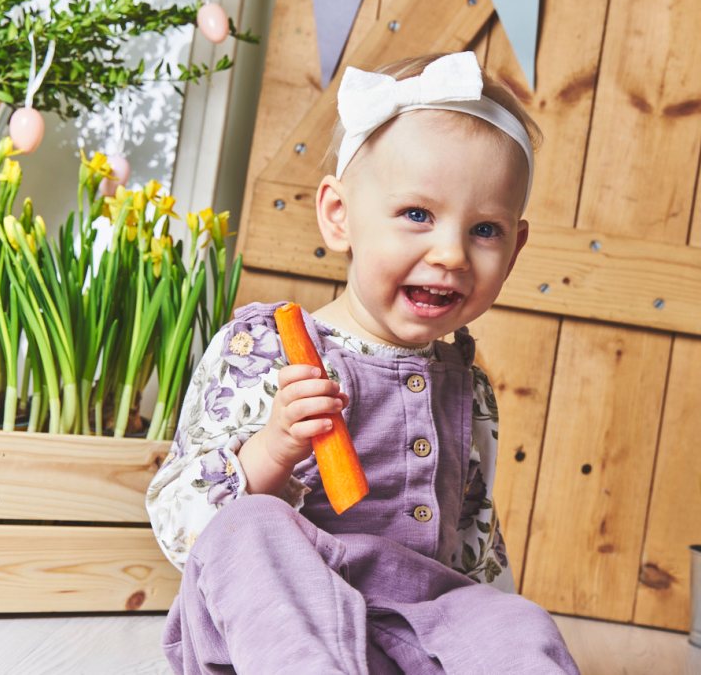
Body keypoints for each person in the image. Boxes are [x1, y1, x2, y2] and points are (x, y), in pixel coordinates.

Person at [146, 50, 579, 674]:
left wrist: (493, 638)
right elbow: (183, 526)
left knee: (517, 620)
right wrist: (272, 450)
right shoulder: (265, 349)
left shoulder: (468, 386)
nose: (452, 254)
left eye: (485, 229)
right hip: (274, 632)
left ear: (515, 251)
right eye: (417, 215)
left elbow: (475, 541)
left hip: (411, 629)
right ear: (339, 216)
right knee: (254, 527)